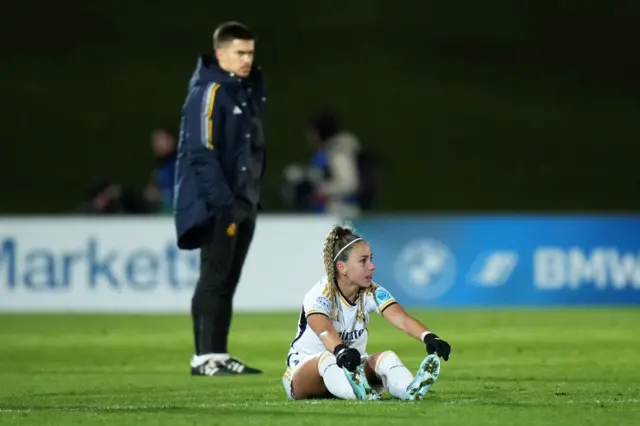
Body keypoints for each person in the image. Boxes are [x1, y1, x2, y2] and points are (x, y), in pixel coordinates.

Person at [173, 21, 267, 376]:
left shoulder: (242, 92)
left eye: (251, 52)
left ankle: (219, 353)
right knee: (213, 278)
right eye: (240, 53)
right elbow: (201, 151)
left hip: (243, 202)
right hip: (221, 205)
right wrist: (223, 203)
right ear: (220, 54)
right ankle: (204, 358)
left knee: (227, 280)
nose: (247, 60)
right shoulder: (208, 92)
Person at [282, 224, 452, 401]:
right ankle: (359, 393)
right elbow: (322, 328)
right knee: (327, 358)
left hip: (351, 368)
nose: (372, 266)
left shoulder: (371, 291)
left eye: (371, 259)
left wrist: (429, 337)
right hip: (305, 373)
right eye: (363, 261)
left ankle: (410, 390)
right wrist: (340, 350)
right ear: (342, 268)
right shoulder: (320, 293)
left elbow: (400, 318)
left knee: (388, 358)